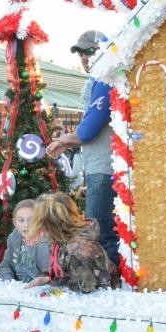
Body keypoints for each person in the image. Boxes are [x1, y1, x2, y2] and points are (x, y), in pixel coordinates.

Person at [45, 30, 120, 268]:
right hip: (102, 166)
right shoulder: (100, 79)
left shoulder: (105, 79)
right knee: (107, 231)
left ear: (104, 50)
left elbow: (88, 131)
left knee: (103, 233)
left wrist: (62, 139)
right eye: (81, 54)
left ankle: (112, 287)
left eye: (89, 51)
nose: (84, 58)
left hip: (104, 168)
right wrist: (65, 141)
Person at [28, 193, 118, 293]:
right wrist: (47, 276)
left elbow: (84, 290)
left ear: (52, 227)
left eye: (43, 227)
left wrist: (55, 285)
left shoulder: (81, 250)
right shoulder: (61, 240)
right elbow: (62, 263)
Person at [0, 199, 50, 287]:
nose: (26, 225)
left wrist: (41, 282)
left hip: (39, 291)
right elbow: (6, 264)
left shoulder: (43, 241)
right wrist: (8, 282)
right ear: (14, 222)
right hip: (18, 289)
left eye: (31, 220)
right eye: (21, 220)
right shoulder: (13, 238)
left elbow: (50, 273)